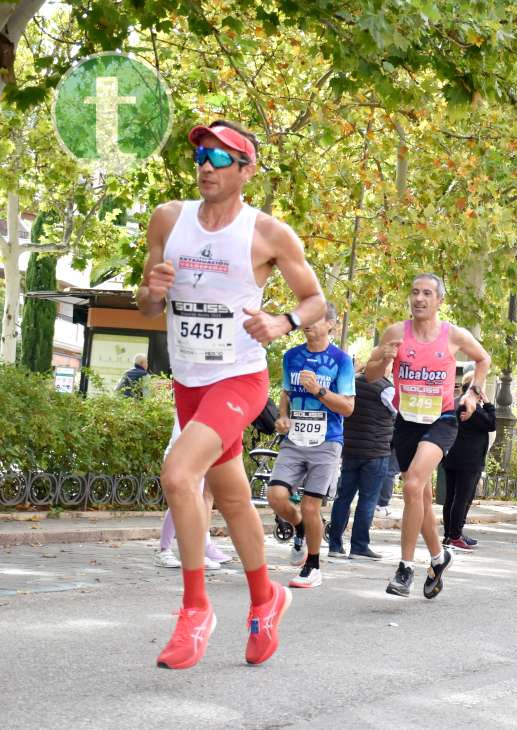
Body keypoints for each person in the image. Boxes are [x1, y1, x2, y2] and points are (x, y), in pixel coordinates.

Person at [137, 119, 326, 669]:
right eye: (201, 155)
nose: (206, 166)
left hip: (239, 379)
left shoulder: (267, 233)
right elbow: (148, 305)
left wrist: (281, 321)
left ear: (247, 170)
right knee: (238, 500)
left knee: (178, 475)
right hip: (188, 382)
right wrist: (150, 292)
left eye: (221, 159)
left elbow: (315, 299)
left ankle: (196, 610)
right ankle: (267, 599)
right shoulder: (168, 220)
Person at [363, 274, 490, 599]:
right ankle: (439, 556)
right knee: (418, 496)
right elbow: (372, 375)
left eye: (427, 293)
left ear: (439, 301)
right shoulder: (395, 333)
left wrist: (474, 393)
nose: (419, 298)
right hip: (407, 421)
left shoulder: (453, 335)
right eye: (415, 292)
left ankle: (405, 568)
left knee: (411, 486)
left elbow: (482, 359)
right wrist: (381, 356)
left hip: (442, 420)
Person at [266, 303, 356, 588]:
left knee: (310, 504)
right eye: (305, 319)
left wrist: (318, 389)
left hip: (327, 441)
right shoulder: (292, 356)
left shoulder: (341, 361)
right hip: (294, 441)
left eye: (315, 319)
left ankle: (313, 566)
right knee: (276, 495)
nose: (308, 324)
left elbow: (348, 408)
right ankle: (301, 529)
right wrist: (282, 417)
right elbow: (285, 392)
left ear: (331, 324)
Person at [327, 362, 396, 560]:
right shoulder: (386, 388)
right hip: (375, 452)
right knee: (368, 499)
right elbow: (398, 413)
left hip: (350, 450)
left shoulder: (351, 384)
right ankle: (359, 546)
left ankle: (335, 544)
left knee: (343, 497)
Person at [155, 416, 233, 571]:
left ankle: (190, 553)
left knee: (192, 504)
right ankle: (164, 551)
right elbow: (180, 437)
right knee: (181, 505)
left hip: (198, 461)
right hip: (179, 460)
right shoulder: (187, 407)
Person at [442, 366, 496, 551]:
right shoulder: (471, 406)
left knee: (451, 498)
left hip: (452, 457)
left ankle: (451, 534)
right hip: (468, 459)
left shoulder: (455, 401)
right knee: (462, 498)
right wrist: (488, 403)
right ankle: (455, 535)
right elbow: (492, 423)